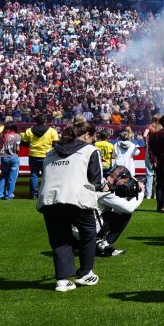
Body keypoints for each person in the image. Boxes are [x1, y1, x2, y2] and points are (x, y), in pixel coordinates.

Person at [36, 118, 105, 292]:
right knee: (88, 233)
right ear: (87, 135)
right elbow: (96, 180)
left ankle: (62, 280)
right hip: (76, 197)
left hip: (50, 199)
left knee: (59, 238)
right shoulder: (90, 150)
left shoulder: (51, 151)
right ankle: (85, 273)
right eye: (93, 137)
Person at [95, 164, 145, 258]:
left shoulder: (102, 183)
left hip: (82, 224)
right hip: (89, 228)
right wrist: (141, 193)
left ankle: (99, 242)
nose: (125, 184)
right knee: (125, 215)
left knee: (114, 213)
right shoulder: (104, 190)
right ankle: (106, 244)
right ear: (119, 178)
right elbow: (129, 208)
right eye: (124, 181)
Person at [21, 116, 59, 198]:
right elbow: (56, 144)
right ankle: (46, 193)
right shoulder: (52, 131)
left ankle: (34, 193)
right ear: (46, 121)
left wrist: (32, 144)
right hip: (47, 155)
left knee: (34, 175)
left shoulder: (29, 131)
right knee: (47, 175)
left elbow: (24, 143)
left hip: (33, 155)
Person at [0, 121, 21, 200]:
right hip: (13, 157)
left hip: (4, 157)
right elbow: (17, 149)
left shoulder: (0, 135)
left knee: (3, 176)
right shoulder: (17, 136)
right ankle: (9, 195)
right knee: (12, 178)